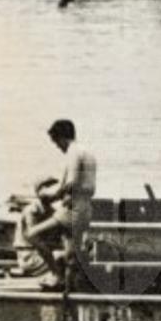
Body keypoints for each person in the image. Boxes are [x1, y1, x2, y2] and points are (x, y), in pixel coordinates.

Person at [24, 120, 98, 287]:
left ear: (62, 138)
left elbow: (71, 183)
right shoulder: (87, 153)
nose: (58, 147)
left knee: (32, 234)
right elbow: (85, 186)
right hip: (85, 209)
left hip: (72, 211)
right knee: (71, 253)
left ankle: (56, 275)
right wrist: (59, 196)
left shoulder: (73, 152)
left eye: (56, 142)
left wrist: (51, 195)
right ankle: (72, 281)